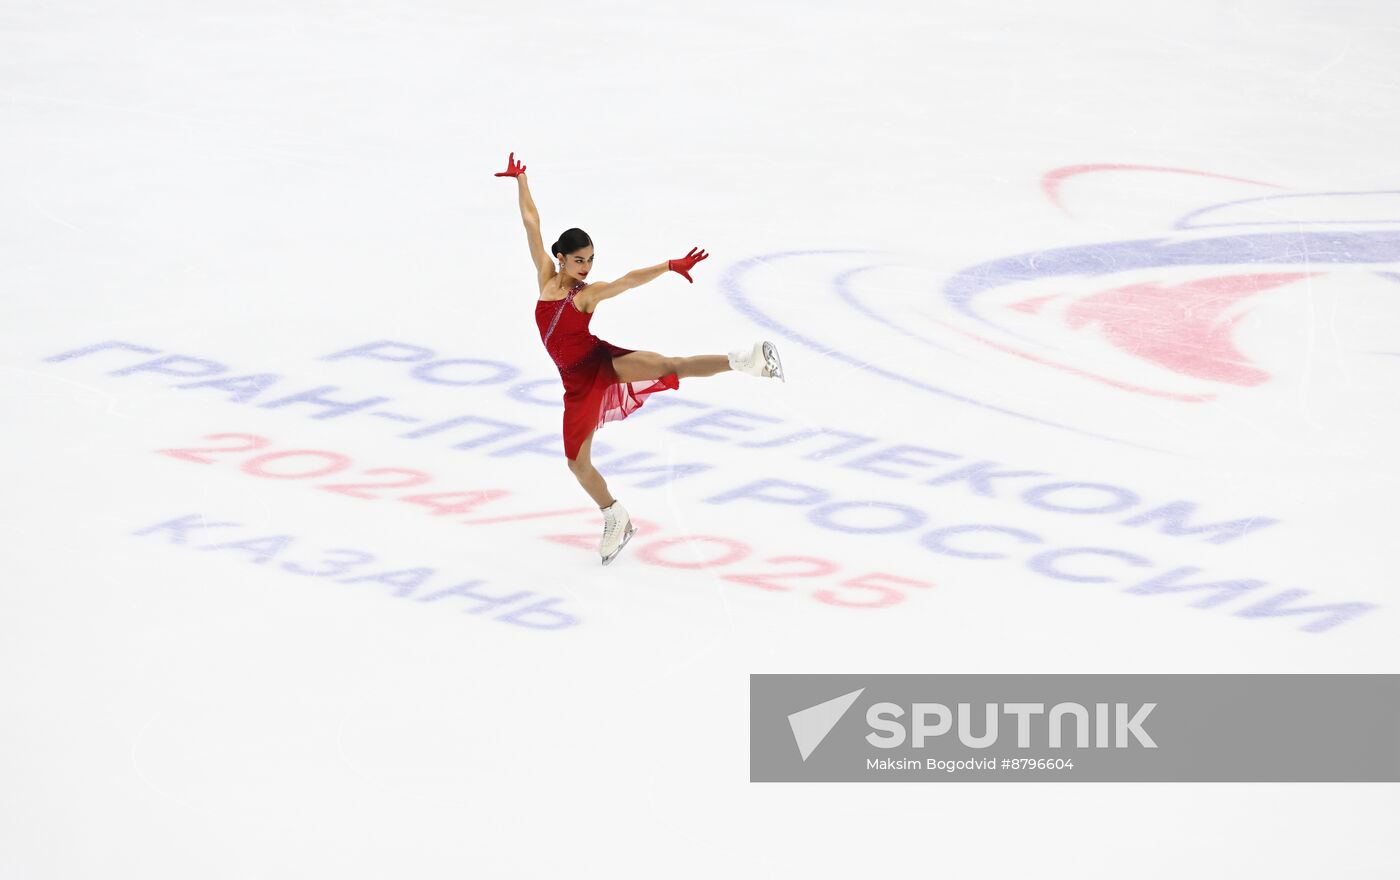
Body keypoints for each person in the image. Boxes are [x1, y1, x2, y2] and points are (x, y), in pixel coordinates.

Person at [495, 151, 784, 564]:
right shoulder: (545, 275)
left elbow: (627, 281)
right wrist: (521, 180)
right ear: (561, 258)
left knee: (669, 364)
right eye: (579, 260)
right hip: (575, 384)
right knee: (577, 465)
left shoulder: (586, 295)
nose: (587, 267)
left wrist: (668, 265)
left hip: (600, 362)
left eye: (591, 259)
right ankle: (616, 515)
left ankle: (748, 361)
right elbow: (531, 224)